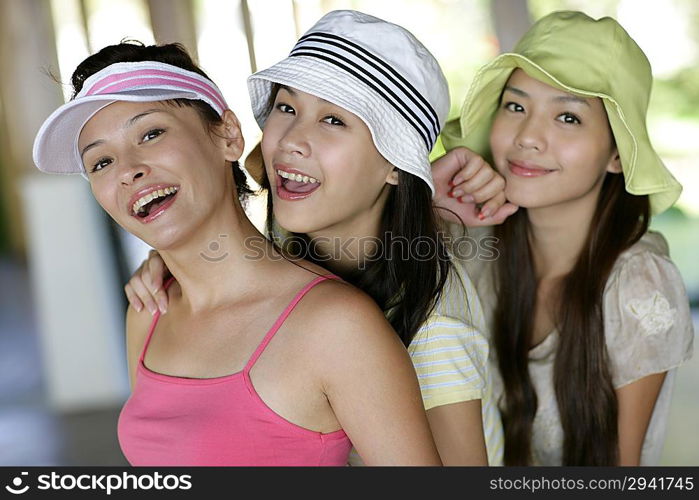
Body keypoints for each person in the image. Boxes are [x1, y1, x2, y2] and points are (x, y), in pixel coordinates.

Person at [122, 10, 509, 465]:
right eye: (286, 108)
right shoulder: (297, 246)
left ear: (394, 165)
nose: (292, 140)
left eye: (334, 121)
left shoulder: (432, 322)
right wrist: (172, 256)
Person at [32, 41, 443, 466]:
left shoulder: (336, 326)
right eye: (100, 162)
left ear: (228, 135)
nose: (127, 169)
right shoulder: (148, 311)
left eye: (151, 134)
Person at [438, 10, 694, 465]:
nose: (528, 137)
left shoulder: (636, 285)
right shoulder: (475, 244)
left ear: (617, 154)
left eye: (568, 118)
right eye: (515, 106)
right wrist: (430, 209)